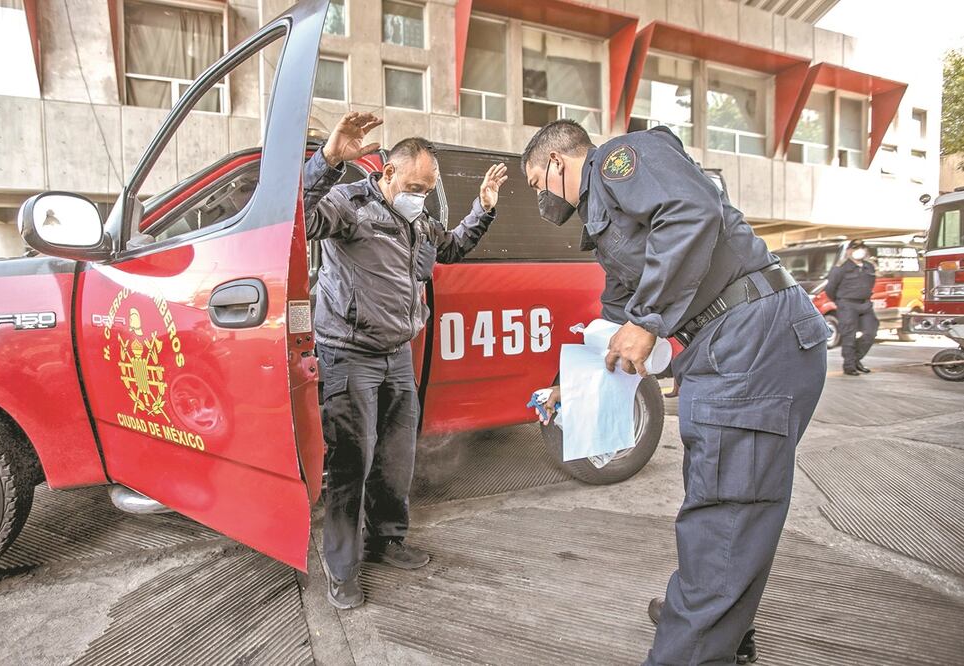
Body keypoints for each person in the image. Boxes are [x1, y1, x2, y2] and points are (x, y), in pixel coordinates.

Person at [521, 120, 827, 664]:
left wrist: (647, 318)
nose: (538, 198)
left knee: (725, 511)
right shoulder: (606, 225)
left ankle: (697, 639)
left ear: (557, 164)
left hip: (748, 338)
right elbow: (615, 325)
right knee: (729, 502)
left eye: (535, 183)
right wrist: (570, 387)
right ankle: (714, 617)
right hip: (736, 342)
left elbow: (692, 212)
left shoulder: (620, 159)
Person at [303, 112, 508, 610]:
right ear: (388, 173)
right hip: (349, 354)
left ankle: (386, 539)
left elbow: (452, 247)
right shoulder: (348, 205)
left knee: (397, 457)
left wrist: (482, 209)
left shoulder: (417, 219)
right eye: (416, 184)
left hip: (397, 355)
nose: (422, 193)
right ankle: (341, 567)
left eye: (429, 185)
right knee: (351, 462)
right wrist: (328, 160)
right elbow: (302, 218)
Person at [826, 240, 878, 376]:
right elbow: (830, 288)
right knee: (848, 335)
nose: (859, 250)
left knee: (870, 333)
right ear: (849, 251)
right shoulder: (841, 268)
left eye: (861, 248)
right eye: (855, 248)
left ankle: (856, 359)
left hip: (865, 304)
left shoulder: (869, 267)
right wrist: (841, 302)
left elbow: (871, 284)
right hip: (847, 304)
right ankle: (849, 366)